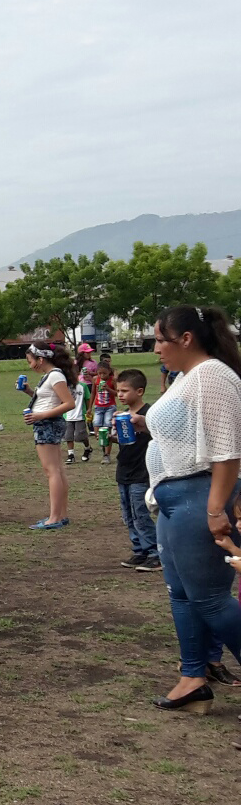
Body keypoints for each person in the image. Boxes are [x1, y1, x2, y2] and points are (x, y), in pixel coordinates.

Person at [143, 306, 241, 716]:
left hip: (198, 498)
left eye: (160, 340)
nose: (154, 349)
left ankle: (197, 673)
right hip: (174, 499)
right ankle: (193, 677)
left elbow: (228, 449)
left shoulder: (214, 376)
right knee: (181, 596)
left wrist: (216, 509)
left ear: (186, 338)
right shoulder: (188, 377)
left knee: (211, 599)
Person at [21, 342, 78, 530]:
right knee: (57, 470)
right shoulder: (52, 376)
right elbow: (48, 399)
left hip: (48, 424)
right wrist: (29, 391)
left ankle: (54, 517)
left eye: (31, 361)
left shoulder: (55, 375)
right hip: (47, 423)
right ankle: (60, 515)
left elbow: (68, 403)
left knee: (52, 471)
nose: (30, 365)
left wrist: (40, 415)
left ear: (40, 359)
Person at [112, 369, 158, 573]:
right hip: (124, 470)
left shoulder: (150, 414)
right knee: (128, 514)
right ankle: (139, 549)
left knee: (141, 514)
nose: (120, 394)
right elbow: (125, 442)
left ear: (139, 391)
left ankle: (154, 553)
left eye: (124, 390)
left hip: (141, 472)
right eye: (118, 390)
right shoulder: (121, 415)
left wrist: (144, 424)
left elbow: (158, 436)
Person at [63, 367, 93, 465]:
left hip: (80, 415)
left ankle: (87, 448)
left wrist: (89, 409)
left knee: (80, 436)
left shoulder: (83, 386)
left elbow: (88, 399)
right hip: (68, 415)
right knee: (68, 436)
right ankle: (71, 455)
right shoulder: (64, 387)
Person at [91, 353, 117, 465]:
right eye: (99, 373)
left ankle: (107, 455)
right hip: (98, 407)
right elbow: (93, 393)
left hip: (110, 407)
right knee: (96, 425)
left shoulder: (112, 380)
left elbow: (117, 393)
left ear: (109, 372)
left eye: (104, 373)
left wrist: (108, 388)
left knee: (107, 428)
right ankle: (103, 445)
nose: (102, 375)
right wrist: (89, 407)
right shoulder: (95, 379)